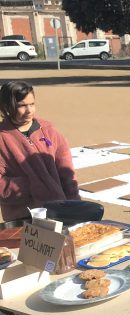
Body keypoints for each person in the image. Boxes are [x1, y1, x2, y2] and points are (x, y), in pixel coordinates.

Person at [0, 81, 79, 221]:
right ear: (7, 107)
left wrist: (74, 202)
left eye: (32, 104)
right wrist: (30, 186)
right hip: (22, 216)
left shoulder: (50, 132)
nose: (29, 110)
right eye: (22, 105)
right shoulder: (2, 138)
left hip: (57, 210)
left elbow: (67, 172)